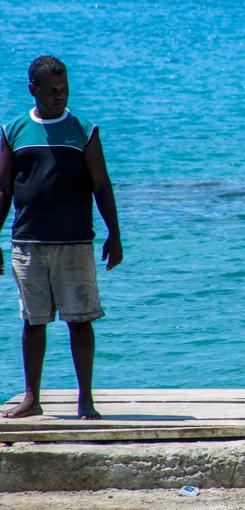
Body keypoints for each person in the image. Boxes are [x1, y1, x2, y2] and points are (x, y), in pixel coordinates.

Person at [0, 55, 123, 420]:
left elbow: (101, 185)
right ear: (32, 89)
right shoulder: (14, 130)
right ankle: (31, 398)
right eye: (52, 90)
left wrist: (114, 234)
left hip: (74, 241)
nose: (60, 96)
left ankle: (86, 400)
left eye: (64, 89)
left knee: (80, 320)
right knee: (33, 322)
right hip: (28, 242)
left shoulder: (83, 130)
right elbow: (3, 191)